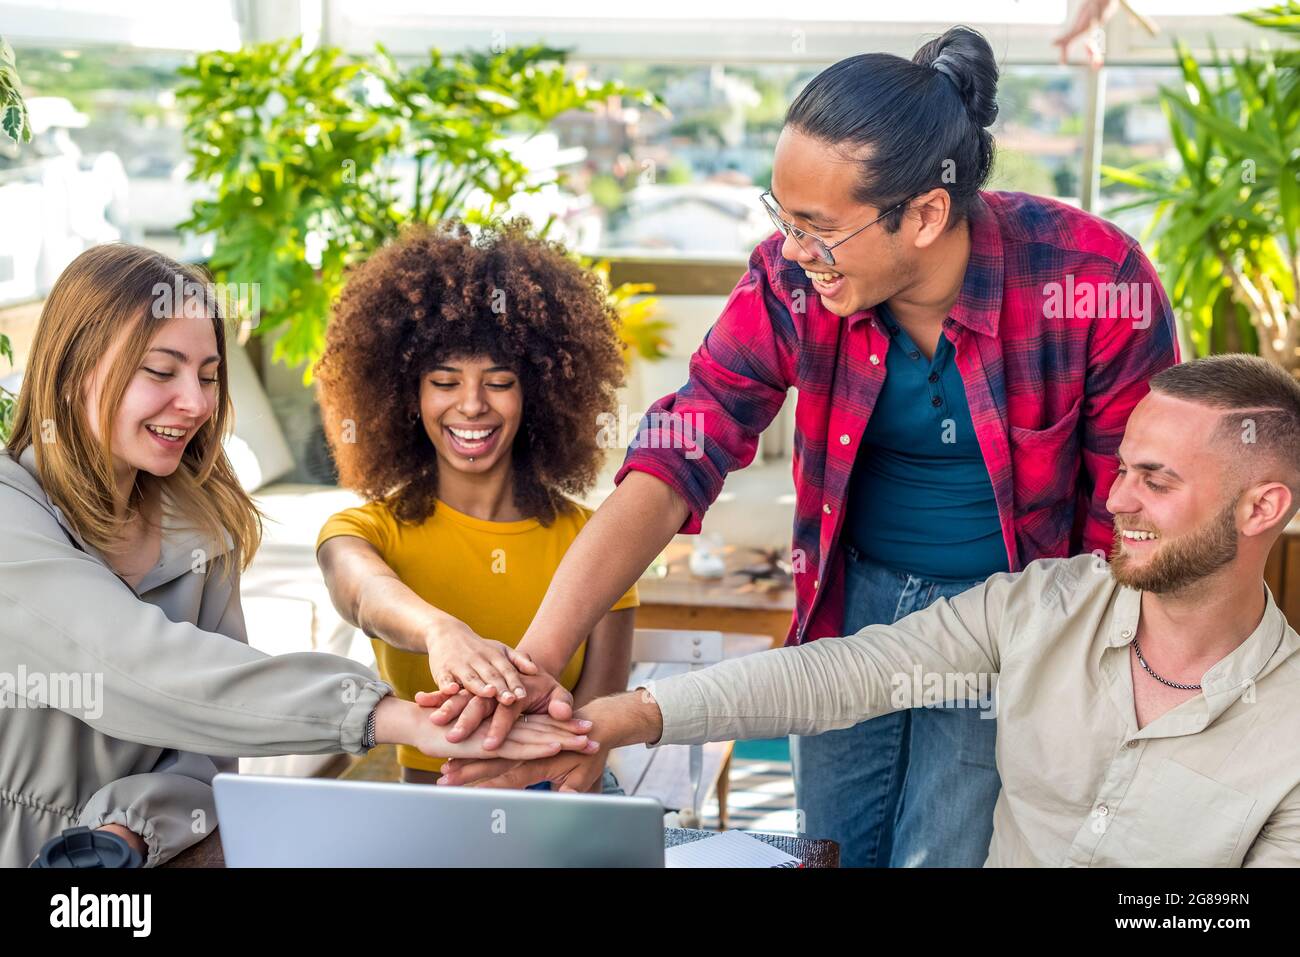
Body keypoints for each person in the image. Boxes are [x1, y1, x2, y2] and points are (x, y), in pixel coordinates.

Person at [431, 26, 1178, 865]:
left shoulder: (1093, 280)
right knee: (830, 847)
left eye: (818, 227)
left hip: (1009, 623)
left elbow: (1138, 518)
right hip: (847, 605)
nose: (792, 249)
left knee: (944, 848)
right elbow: (683, 446)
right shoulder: (792, 280)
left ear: (926, 213)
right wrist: (536, 660)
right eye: (782, 218)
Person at [441, 354, 1300, 867]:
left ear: (1262, 508)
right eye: (1123, 469)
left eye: (1158, 480)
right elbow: (847, 672)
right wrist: (610, 722)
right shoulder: (1047, 605)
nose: (1118, 499)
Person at [0, 243, 593, 867]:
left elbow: (205, 749)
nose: (198, 404)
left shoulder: (204, 528)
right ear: (74, 369)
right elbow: (138, 668)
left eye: (207, 376)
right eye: (162, 371)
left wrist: (124, 831)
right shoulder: (11, 516)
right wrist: (390, 715)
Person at [314, 222, 637, 789]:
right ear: (407, 396)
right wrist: (442, 633)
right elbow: (363, 594)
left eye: (499, 381)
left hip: (563, 799)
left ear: (537, 392)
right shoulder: (363, 531)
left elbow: (595, 721)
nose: (471, 405)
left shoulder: (595, 538)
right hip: (432, 806)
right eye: (444, 381)